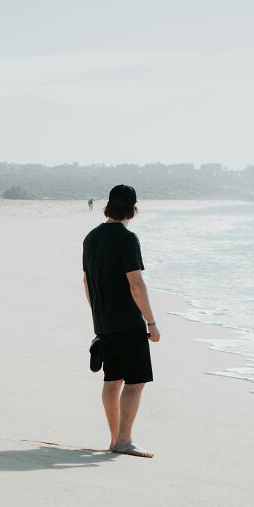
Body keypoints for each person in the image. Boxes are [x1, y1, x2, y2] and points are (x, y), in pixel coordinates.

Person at [82, 185, 160, 457]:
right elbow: (136, 283)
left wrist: (98, 312)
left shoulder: (91, 237)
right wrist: (151, 322)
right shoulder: (127, 239)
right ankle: (124, 441)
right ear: (133, 209)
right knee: (135, 382)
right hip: (127, 321)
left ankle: (115, 439)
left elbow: (86, 281)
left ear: (108, 206)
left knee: (112, 379)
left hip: (103, 321)